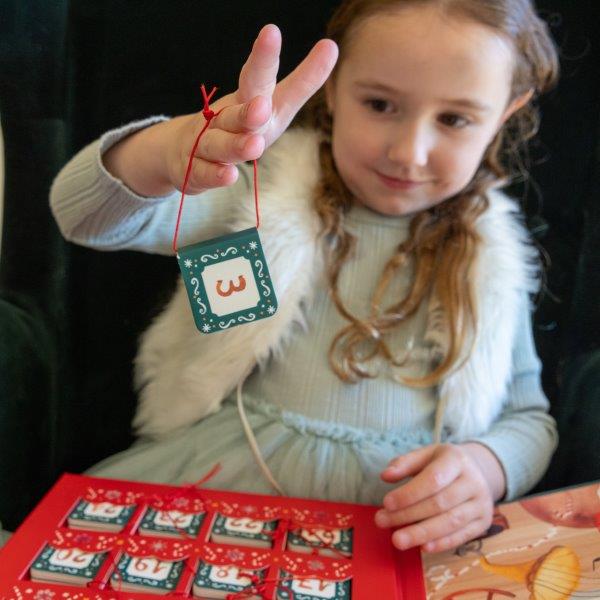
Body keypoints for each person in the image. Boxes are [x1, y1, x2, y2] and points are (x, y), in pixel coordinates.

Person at [50, 0, 560, 554]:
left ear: (506, 115)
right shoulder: (257, 205)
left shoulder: (492, 264)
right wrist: (168, 153)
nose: (409, 152)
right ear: (334, 90)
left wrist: (486, 468)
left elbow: (528, 418)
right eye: (381, 103)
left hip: (397, 525)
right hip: (228, 484)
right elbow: (84, 217)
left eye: (454, 119)